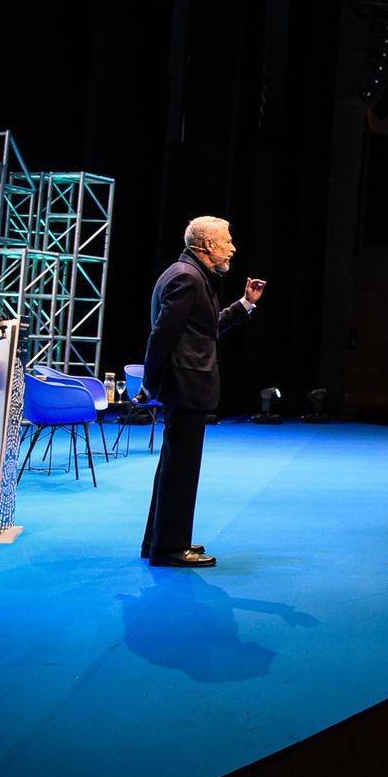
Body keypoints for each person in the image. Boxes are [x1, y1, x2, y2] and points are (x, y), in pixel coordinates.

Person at [139, 215, 265, 568]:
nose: (232, 248)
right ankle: (170, 549)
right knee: (180, 470)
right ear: (208, 245)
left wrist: (245, 304)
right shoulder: (187, 277)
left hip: (186, 386)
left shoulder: (190, 274)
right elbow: (161, 335)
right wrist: (149, 383)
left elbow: (206, 329)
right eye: (227, 241)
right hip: (186, 386)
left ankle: (159, 541)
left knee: (173, 467)